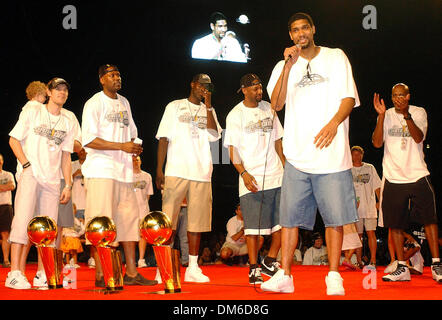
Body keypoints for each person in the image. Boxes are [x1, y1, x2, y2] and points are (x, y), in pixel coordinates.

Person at [261, 12, 360, 295]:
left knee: (334, 219)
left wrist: (332, 123)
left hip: (330, 154)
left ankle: (333, 276)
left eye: (305, 27)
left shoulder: (335, 56)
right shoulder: (284, 65)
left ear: (313, 29)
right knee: (289, 219)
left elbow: (349, 98)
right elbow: (276, 104)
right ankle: (285, 274)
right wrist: (288, 67)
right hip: (296, 155)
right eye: (295, 30)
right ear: (290, 35)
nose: (300, 33)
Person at [81, 64, 156, 287]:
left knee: (129, 222)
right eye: (112, 75)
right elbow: (88, 140)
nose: (117, 78)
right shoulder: (94, 103)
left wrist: (134, 147)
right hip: (102, 170)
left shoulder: (124, 102)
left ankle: (132, 273)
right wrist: (121, 147)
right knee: (102, 222)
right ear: (102, 79)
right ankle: (102, 274)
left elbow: (132, 134)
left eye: (119, 74)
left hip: (125, 173)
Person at [6, 77, 77, 289]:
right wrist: (26, 165)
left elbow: (66, 156)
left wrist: (68, 184)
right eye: (57, 89)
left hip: (53, 180)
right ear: (48, 91)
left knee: (48, 229)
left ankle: (42, 273)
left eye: (65, 90)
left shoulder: (68, 121)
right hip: (32, 175)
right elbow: (13, 139)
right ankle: (14, 273)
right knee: (22, 222)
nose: (62, 93)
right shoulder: (33, 111)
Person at [156, 73, 222, 283]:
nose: (204, 88)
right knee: (169, 221)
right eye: (201, 85)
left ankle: (193, 267)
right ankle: (163, 267)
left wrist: (209, 105)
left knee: (197, 222)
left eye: (208, 86)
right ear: (192, 84)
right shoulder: (174, 106)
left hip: (201, 172)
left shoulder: (208, 110)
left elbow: (214, 135)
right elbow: (164, 138)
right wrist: (159, 170)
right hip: (176, 170)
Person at [372, 83, 441, 283]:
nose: (397, 99)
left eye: (401, 95)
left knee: (429, 218)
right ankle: (402, 267)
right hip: (393, 175)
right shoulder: (386, 114)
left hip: (417, 173)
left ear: (408, 96)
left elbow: (419, 138)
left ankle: (436, 263)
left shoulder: (419, 112)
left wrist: (405, 115)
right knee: (394, 224)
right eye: (394, 95)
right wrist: (382, 116)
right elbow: (377, 143)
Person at [224, 73, 284, 284]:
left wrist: (285, 167)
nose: (260, 92)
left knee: (281, 224)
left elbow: (278, 141)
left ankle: (270, 259)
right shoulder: (235, 115)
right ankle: (253, 268)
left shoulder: (270, 108)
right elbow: (232, 150)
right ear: (244, 90)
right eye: (255, 89)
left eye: (261, 88)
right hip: (251, 177)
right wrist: (243, 173)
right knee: (253, 229)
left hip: (276, 174)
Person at [350, 145, 381, 267]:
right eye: (354, 154)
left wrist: (380, 201)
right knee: (358, 235)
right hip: (355, 208)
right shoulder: (348, 169)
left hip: (369, 206)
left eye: (359, 154)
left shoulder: (370, 167)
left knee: (371, 233)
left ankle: (373, 260)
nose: (357, 156)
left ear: (362, 155)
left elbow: (377, 185)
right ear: (351, 155)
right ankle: (359, 261)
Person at [132, 155, 154, 268]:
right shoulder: (126, 176)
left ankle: (141, 259)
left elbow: (148, 195)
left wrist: (143, 205)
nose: (136, 162)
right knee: (130, 236)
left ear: (141, 161)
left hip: (143, 210)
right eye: (134, 160)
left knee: (142, 235)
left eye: (137, 160)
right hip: (129, 210)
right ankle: (131, 260)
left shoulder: (147, 176)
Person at [0, 154, 16, 268]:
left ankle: (6, 260)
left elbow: (11, 186)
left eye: (0, 160)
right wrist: (4, 186)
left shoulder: (8, 174)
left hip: (6, 206)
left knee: (6, 234)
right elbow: (7, 186)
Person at [60, 204, 85, 268]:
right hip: (67, 237)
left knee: (74, 251)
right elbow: (62, 229)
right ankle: (67, 263)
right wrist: (63, 236)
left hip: (74, 237)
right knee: (67, 251)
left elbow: (82, 229)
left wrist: (77, 235)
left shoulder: (76, 220)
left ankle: (74, 263)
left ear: (75, 211)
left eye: (73, 209)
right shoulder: (65, 220)